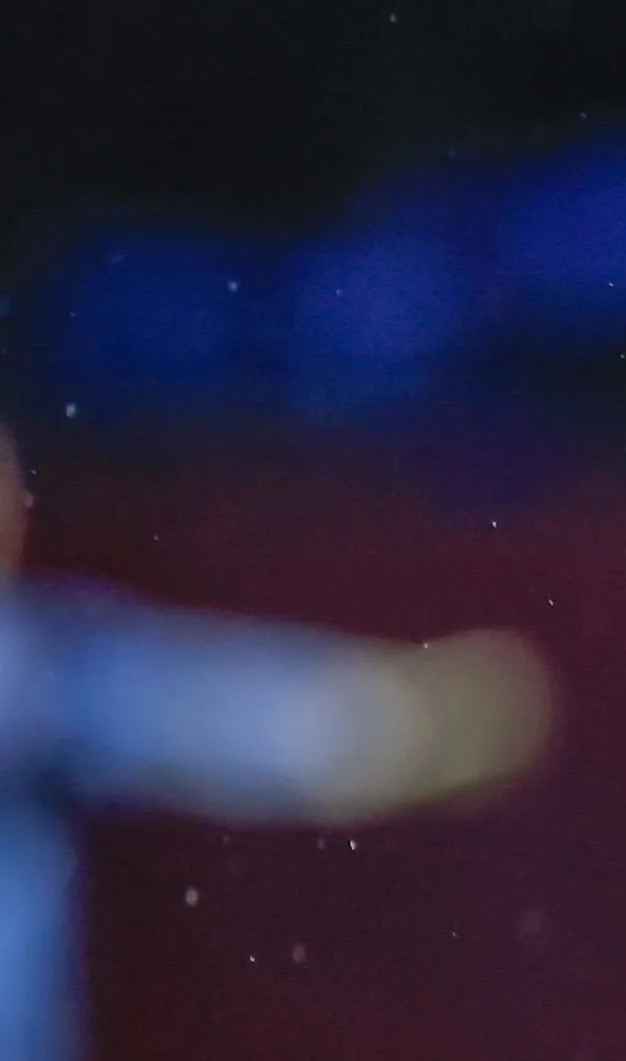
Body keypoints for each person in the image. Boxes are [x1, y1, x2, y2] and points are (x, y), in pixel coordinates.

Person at [0, 427, 552, 1060]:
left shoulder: (41, 662)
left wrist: (385, 723)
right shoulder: (35, 673)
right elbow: (160, 709)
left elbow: (166, 703)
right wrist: (386, 725)